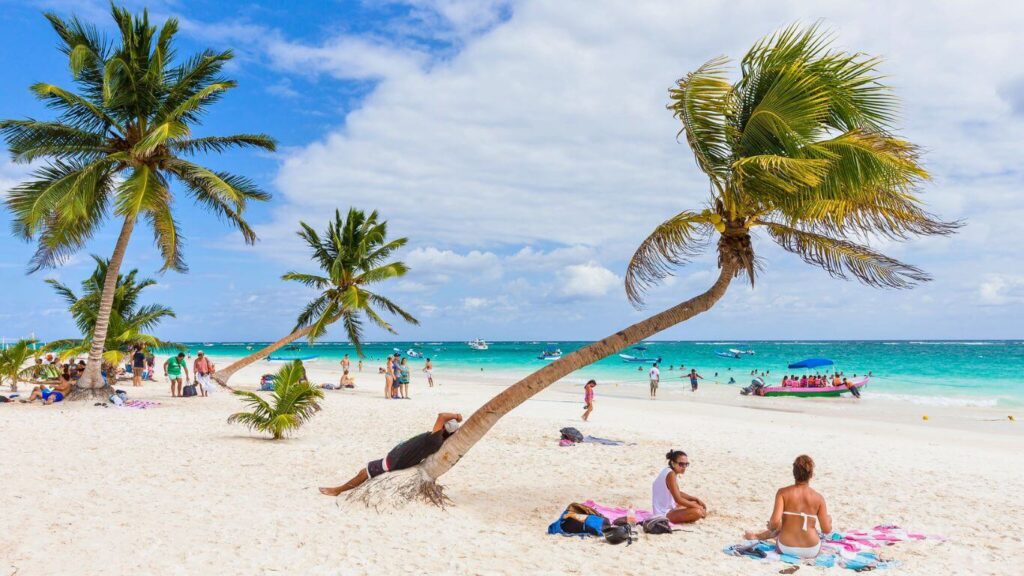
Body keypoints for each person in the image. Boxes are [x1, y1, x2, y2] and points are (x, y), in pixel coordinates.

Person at [319, 412, 463, 496]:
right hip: (398, 458)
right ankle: (339, 489)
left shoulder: (435, 439)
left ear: (443, 429)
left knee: (363, 473)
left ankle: (338, 490)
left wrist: (457, 416)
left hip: (393, 462)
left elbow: (442, 415)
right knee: (365, 472)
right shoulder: (439, 441)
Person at [743, 455, 832, 559]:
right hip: (811, 550)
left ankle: (756, 536)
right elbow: (826, 530)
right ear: (811, 474)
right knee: (825, 519)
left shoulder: (782, 493)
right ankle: (756, 536)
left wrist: (772, 526)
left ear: (794, 473)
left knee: (782, 525)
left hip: (786, 547)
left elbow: (774, 523)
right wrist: (829, 521)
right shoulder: (819, 498)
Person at [652, 449, 706, 523]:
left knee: (695, 503)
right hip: (663, 513)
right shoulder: (671, 474)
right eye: (681, 464)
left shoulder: (669, 471)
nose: (684, 467)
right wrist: (697, 507)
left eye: (686, 464)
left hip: (668, 507)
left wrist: (694, 498)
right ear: (673, 463)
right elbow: (678, 499)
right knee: (697, 512)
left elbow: (676, 492)